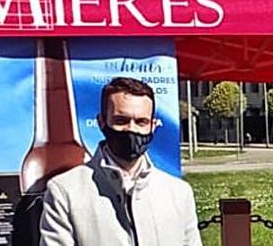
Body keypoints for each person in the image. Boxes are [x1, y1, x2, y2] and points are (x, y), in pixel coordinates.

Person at [40, 77, 201, 246]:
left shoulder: (179, 193)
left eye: (141, 122)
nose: (131, 129)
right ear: (102, 122)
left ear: (153, 126)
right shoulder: (65, 191)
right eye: (121, 121)